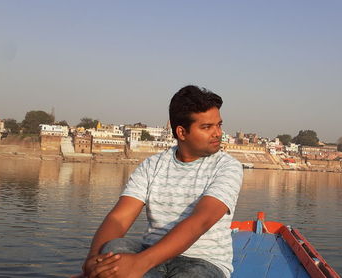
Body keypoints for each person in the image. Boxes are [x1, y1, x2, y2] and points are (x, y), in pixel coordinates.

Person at [81, 85, 243, 278]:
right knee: (112, 248)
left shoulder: (227, 167)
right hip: (152, 253)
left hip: (203, 263)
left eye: (219, 124)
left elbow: (200, 221)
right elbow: (119, 218)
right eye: (207, 127)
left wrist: (139, 264)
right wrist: (92, 261)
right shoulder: (152, 166)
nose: (218, 133)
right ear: (182, 133)